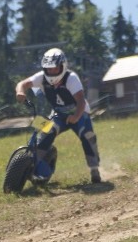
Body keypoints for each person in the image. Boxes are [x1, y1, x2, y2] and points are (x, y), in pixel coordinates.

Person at [15, 47, 101, 183]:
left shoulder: (71, 78)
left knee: (87, 136)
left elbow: (80, 102)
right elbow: (22, 84)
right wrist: (20, 92)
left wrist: (76, 117)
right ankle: (38, 171)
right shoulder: (41, 77)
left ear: (63, 66)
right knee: (43, 134)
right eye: (48, 69)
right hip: (58, 114)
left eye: (55, 68)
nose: (51, 71)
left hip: (79, 113)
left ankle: (94, 169)